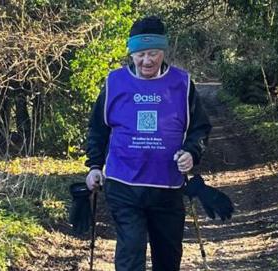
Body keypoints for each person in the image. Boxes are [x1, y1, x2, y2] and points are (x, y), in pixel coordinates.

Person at [84, 16, 212, 271]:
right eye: (140, 54)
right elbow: (98, 128)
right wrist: (94, 165)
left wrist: (192, 151)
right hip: (124, 184)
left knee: (168, 257)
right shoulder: (114, 83)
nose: (147, 61)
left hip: (167, 185)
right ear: (131, 54)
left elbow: (200, 128)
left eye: (153, 53)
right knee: (130, 252)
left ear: (163, 51)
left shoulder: (182, 84)